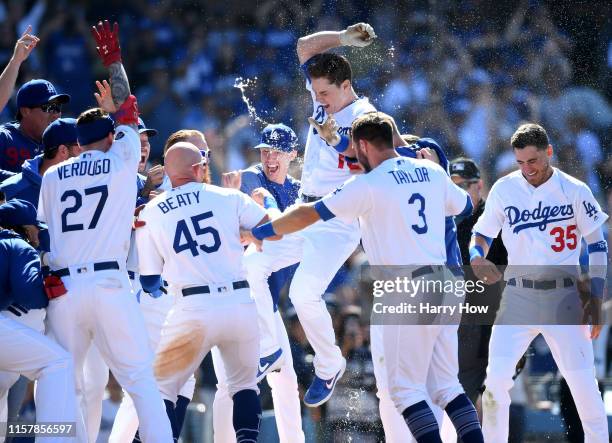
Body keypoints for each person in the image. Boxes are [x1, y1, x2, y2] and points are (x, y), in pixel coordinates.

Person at [245, 112, 484, 443]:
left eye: (353, 148)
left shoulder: (367, 184)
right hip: (446, 284)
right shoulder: (431, 171)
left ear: (363, 145)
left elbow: (306, 214)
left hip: (407, 287)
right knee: (448, 386)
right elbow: (465, 207)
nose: (351, 155)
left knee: (404, 392)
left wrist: (264, 230)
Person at [37, 20, 173, 442]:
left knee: (60, 384)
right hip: (111, 284)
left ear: (78, 140)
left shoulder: (54, 177)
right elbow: (128, 106)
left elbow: (43, 236)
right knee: (139, 380)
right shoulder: (121, 160)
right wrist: (114, 61)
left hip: (65, 290)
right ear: (112, 137)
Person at [242, 22, 378, 408]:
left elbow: (368, 168)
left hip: (337, 219)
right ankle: (268, 348)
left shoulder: (366, 116)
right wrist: (345, 39)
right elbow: (303, 48)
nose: (318, 99)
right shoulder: (324, 96)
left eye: (325, 93)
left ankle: (329, 363)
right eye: (316, 92)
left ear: (346, 86)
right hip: (304, 208)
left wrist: (337, 141)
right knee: (252, 263)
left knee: (303, 292)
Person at [469, 123, 609, 442]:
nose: (526, 169)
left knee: (584, 386)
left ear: (548, 152)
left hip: (565, 298)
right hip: (518, 297)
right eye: (520, 162)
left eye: (532, 161)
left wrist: (597, 299)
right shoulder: (505, 189)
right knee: (496, 382)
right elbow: (482, 233)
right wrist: (477, 256)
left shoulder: (574, 190)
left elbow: (598, 246)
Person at [135, 141, 268, 442]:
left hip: (192, 308)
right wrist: (248, 232)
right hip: (238, 301)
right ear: (198, 168)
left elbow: (149, 281)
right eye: (203, 163)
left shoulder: (153, 210)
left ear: (169, 172)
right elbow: (270, 228)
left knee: (162, 389)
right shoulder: (229, 196)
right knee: (244, 386)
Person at [216, 123, 304, 443]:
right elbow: (271, 229)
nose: (269, 158)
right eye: (265, 150)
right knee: (231, 386)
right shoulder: (253, 178)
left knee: (285, 380)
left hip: (264, 301)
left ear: (293, 154)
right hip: (239, 295)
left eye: (277, 152)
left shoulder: (298, 188)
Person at [0, 199, 78, 437]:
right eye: (35, 229)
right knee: (57, 362)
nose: (38, 236)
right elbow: (31, 295)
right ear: (24, 228)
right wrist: (46, 284)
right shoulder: (17, 244)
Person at [449, 157, 507, 407]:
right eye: (453, 187)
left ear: (479, 185)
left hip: (489, 325)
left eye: (464, 186)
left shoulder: (494, 219)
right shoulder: (444, 221)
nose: (458, 193)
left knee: (486, 403)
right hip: (454, 323)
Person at [0, 118, 81, 207]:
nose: (89, 153)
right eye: (83, 147)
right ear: (63, 151)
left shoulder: (87, 185)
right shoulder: (9, 192)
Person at [0, 78, 70, 173]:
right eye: (49, 108)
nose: (56, 114)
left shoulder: (65, 140)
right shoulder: (4, 138)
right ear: (25, 111)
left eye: (57, 107)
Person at [0, 26, 39, 114]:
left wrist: (17, 60)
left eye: (7, 33)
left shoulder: (21, 49)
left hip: (19, 87)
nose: (5, 36)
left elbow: (31, 73)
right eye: (2, 33)